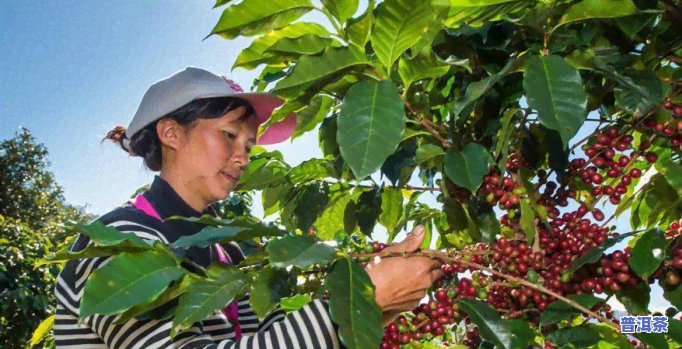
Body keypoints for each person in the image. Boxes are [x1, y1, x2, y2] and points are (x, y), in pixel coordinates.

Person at [54, 67, 444, 349]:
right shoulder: (121, 242)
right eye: (229, 135)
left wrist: (367, 306)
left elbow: (273, 339)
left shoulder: (232, 250)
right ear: (171, 133)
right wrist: (364, 300)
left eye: (249, 146)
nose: (242, 157)